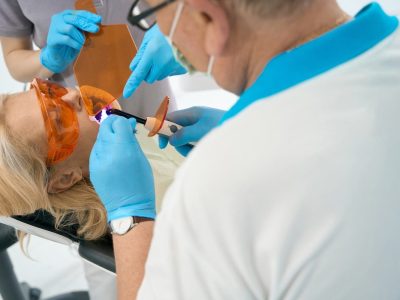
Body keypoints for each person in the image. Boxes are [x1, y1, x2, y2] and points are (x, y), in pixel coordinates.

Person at [89, 0, 400, 299]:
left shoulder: (221, 184)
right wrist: (262, 128)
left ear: (208, 17)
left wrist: (129, 217)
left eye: (153, 14)